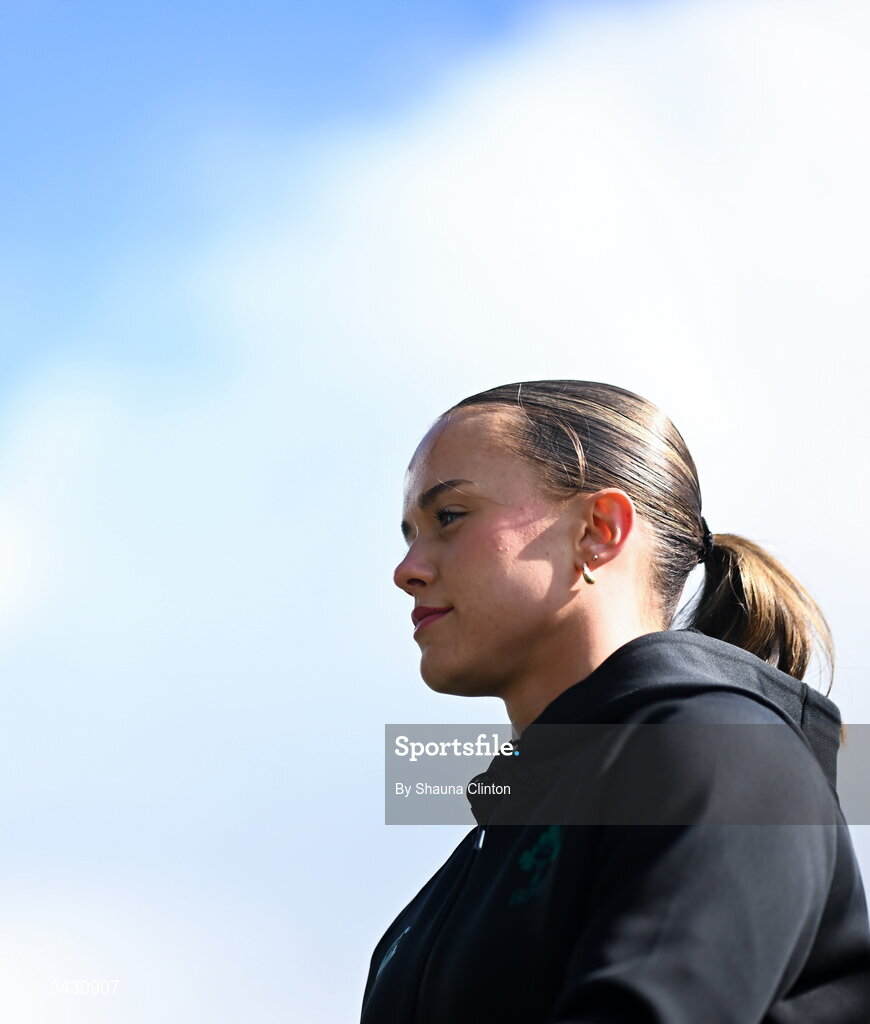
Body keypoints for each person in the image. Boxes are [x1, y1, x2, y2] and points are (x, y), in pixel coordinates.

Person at [359, 379, 870, 1023]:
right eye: (409, 533)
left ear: (598, 531)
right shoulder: (456, 884)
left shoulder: (721, 750)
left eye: (450, 517)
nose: (407, 568)